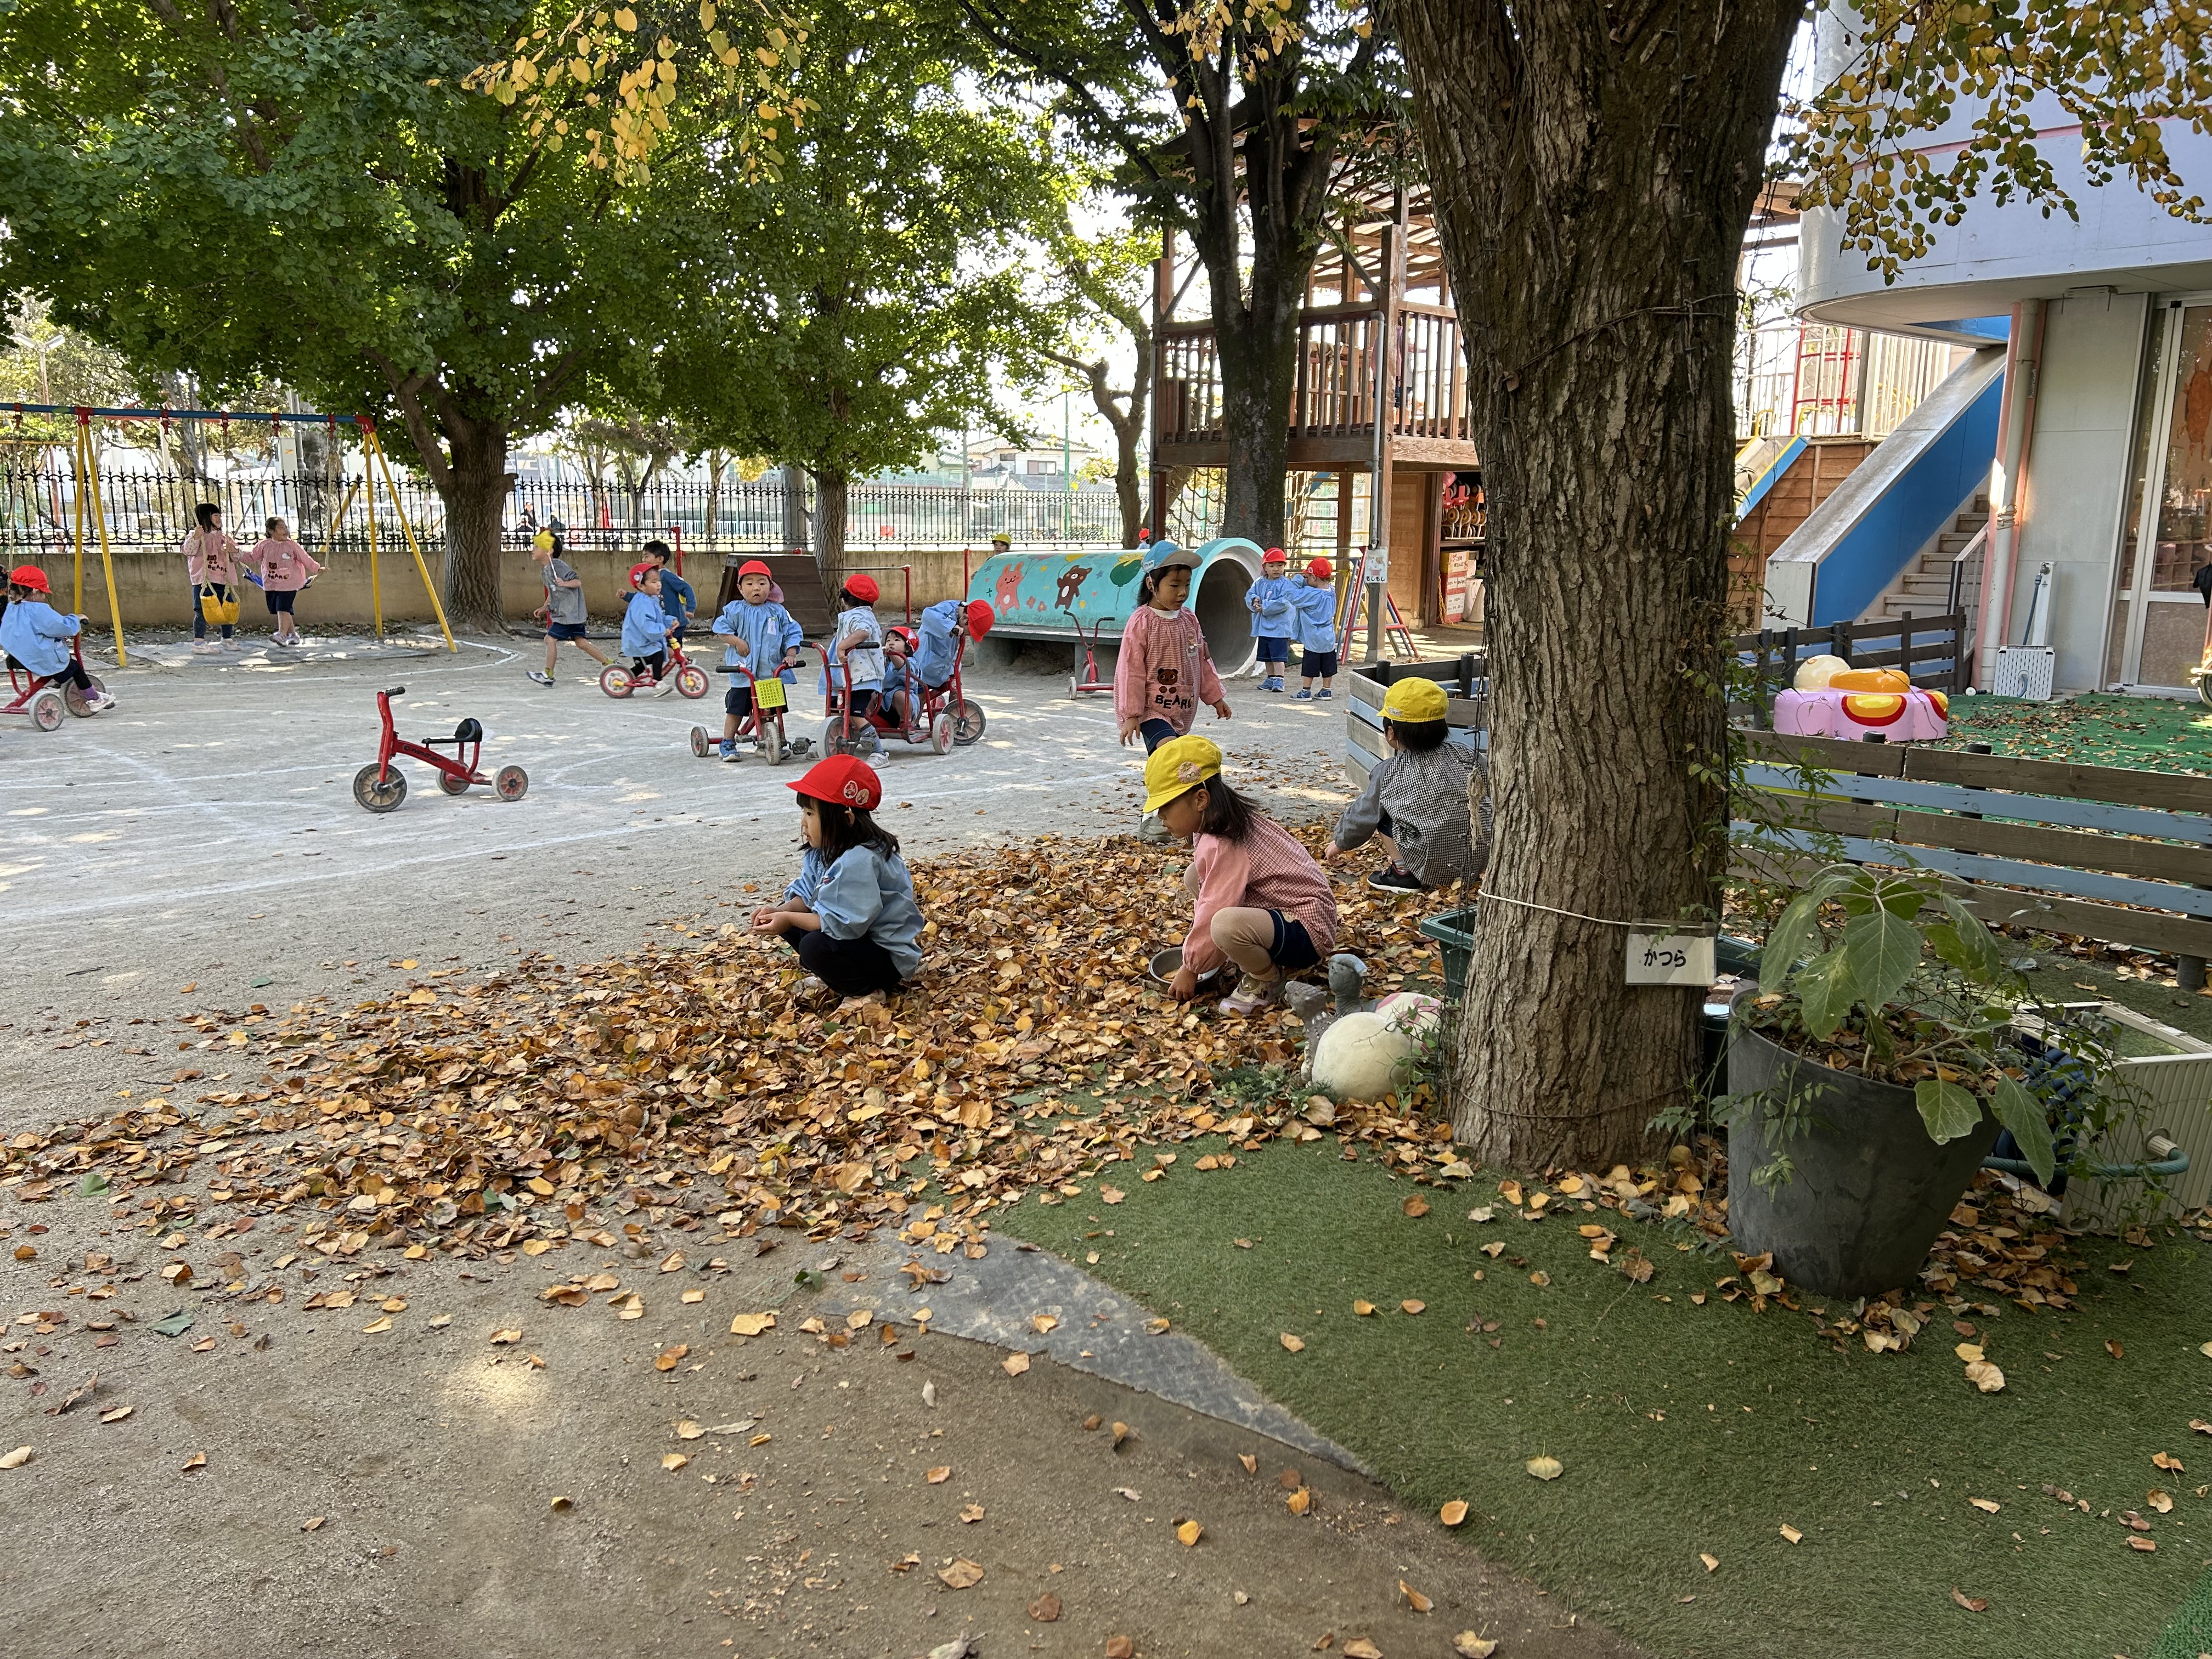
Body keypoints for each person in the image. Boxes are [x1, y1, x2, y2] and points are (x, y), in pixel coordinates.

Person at [1147, 735, 1336, 1016]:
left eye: (1166, 807)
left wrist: (1191, 968)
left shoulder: (1224, 842)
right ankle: (1244, 950)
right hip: (1287, 913)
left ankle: (1267, 979)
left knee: (1223, 925)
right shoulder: (1222, 820)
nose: (1160, 816)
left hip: (1307, 927)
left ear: (1200, 799)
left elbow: (1215, 909)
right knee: (1193, 875)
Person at [749, 754, 924, 1005]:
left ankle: (866, 992)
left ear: (846, 819)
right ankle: (839, 975)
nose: (803, 823)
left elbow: (844, 924)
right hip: (859, 943)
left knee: (813, 946)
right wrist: (778, 912)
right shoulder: (823, 852)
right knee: (793, 925)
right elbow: (808, 897)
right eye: (804, 812)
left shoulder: (860, 861)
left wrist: (788, 918)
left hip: (886, 957)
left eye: (811, 814)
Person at [1114, 539, 1231, 838]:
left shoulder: (1189, 620)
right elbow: (1130, 670)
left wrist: (1215, 697)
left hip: (1182, 710)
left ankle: (1177, 819)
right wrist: (1131, 714)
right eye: (1174, 585)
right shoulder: (1142, 622)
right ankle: (1153, 820)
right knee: (1170, 758)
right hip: (1152, 711)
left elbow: (1203, 660)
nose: (1182, 593)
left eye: (1187, 585)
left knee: (1180, 767)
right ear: (1152, 585)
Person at [1328, 675, 1486, 893]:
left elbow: (1364, 813)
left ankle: (1404, 872)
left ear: (1391, 732)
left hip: (1428, 863)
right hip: (1476, 860)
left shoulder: (1390, 770)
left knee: (1381, 809)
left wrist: (1340, 842)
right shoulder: (1468, 755)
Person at [710, 557, 806, 761]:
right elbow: (721, 628)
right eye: (750, 583)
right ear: (740, 587)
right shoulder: (735, 609)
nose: (757, 588)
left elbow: (792, 632)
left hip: (769, 671)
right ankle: (728, 742)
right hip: (743, 671)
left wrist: (790, 653)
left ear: (770, 587)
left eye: (762, 583)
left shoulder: (778, 611)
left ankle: (768, 742)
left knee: (770, 709)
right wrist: (736, 641)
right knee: (736, 708)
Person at [1, 566, 115, 712]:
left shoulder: (12, 608)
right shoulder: (39, 610)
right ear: (36, 592)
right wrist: (76, 619)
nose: (44, 597)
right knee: (75, 667)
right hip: (39, 658)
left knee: (58, 659)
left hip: (17, 658)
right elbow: (60, 626)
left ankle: (57, 680)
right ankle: (94, 699)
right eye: (43, 593)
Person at [529, 531, 610, 685]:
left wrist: (564, 583)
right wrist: (545, 607)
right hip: (571, 614)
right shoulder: (547, 570)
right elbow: (554, 592)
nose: (533, 549)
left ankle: (548, 675)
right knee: (581, 643)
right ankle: (610, 664)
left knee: (550, 639)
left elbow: (577, 582)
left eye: (537, 546)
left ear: (549, 551)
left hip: (568, 613)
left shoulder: (558, 566)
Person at [250, 517, 320, 648]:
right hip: (272, 582)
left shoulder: (291, 545)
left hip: (290, 583)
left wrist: (317, 568)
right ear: (271, 531)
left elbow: (304, 557)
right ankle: (293, 635)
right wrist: (235, 554)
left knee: (283, 608)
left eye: (285, 527)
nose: (285, 530)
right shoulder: (264, 545)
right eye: (281, 527)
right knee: (279, 609)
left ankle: (282, 635)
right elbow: (252, 556)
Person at [182, 503, 241, 656]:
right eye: (216, 516)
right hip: (204, 580)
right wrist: (196, 536)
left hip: (224, 579)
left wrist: (233, 550)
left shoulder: (225, 537)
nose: (219, 519)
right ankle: (199, 642)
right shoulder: (196, 535)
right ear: (206, 518)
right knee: (202, 611)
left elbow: (237, 557)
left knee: (228, 608)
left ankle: (227, 639)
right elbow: (188, 551)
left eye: (220, 516)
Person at [830, 572, 887, 723]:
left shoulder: (856, 616)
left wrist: (842, 647)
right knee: (839, 710)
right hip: (859, 675)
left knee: (855, 715)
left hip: (862, 677)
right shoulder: (865, 615)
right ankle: (840, 738)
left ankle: (876, 747)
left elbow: (863, 632)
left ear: (845, 599)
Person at [912, 597, 994, 695]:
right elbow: (928, 615)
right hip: (923, 667)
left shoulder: (962, 616)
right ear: (965, 618)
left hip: (943, 668)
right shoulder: (947, 609)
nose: (969, 635)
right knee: (922, 695)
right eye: (970, 631)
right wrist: (951, 627)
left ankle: (954, 708)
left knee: (956, 689)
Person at [621, 561, 680, 695]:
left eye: (659, 580)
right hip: (638, 643)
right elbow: (646, 626)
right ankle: (657, 682)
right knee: (658, 654)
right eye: (654, 582)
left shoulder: (651, 598)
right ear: (641, 586)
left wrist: (670, 621)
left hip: (644, 641)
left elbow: (658, 618)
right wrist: (662, 631)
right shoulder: (641, 602)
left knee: (641, 667)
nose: (659, 584)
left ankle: (625, 678)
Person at [1245, 546, 1298, 692]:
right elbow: (1250, 594)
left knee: (1278, 656)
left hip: (1279, 628)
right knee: (1267, 657)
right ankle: (1270, 678)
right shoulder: (1259, 583)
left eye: (1280, 565)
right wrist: (1254, 600)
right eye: (1272, 565)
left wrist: (1266, 607)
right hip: (1264, 627)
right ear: (1265, 567)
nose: (1276, 569)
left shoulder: (1286, 584)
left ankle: (1279, 680)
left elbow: (1285, 603)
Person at [1292, 557, 1341, 700]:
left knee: (1310, 664)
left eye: (1308, 577)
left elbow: (1295, 597)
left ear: (1314, 577)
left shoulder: (1311, 594)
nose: (1306, 579)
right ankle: (1326, 690)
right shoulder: (1332, 591)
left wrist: (1297, 581)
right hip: (1328, 636)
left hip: (1313, 636)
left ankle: (1306, 691)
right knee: (1328, 664)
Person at [646, 540, 696, 643]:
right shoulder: (651, 577)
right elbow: (643, 595)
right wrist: (627, 596)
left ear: (660, 559)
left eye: (647, 557)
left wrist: (690, 608)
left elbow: (686, 588)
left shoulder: (665, 575)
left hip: (675, 622)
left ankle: (681, 660)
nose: (644, 560)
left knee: (674, 650)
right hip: (664, 621)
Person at [882, 628, 915, 729]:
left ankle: (905, 722)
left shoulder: (911, 661)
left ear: (907, 648)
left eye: (897, 640)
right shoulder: (886, 661)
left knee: (899, 695)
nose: (891, 643)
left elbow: (905, 669)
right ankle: (866, 718)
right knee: (871, 693)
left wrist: (894, 656)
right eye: (888, 640)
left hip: (906, 700)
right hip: (884, 701)